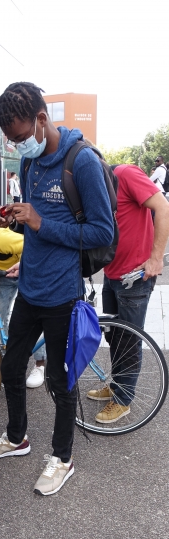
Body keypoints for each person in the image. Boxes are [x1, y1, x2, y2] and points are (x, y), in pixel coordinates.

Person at [0, 82, 114, 496]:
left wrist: (39, 222)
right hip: (30, 288)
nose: (19, 146)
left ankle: (63, 458)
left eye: (20, 137)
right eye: (11, 140)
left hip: (63, 294)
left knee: (60, 378)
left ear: (40, 119)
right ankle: (17, 437)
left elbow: (102, 231)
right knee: (12, 365)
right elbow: (36, 221)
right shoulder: (29, 164)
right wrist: (15, 220)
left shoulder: (81, 161)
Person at [87, 162, 169, 422]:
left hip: (135, 276)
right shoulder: (98, 187)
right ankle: (117, 386)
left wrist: (156, 257)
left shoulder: (125, 174)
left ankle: (124, 399)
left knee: (130, 339)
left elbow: (163, 207)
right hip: (111, 274)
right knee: (116, 337)